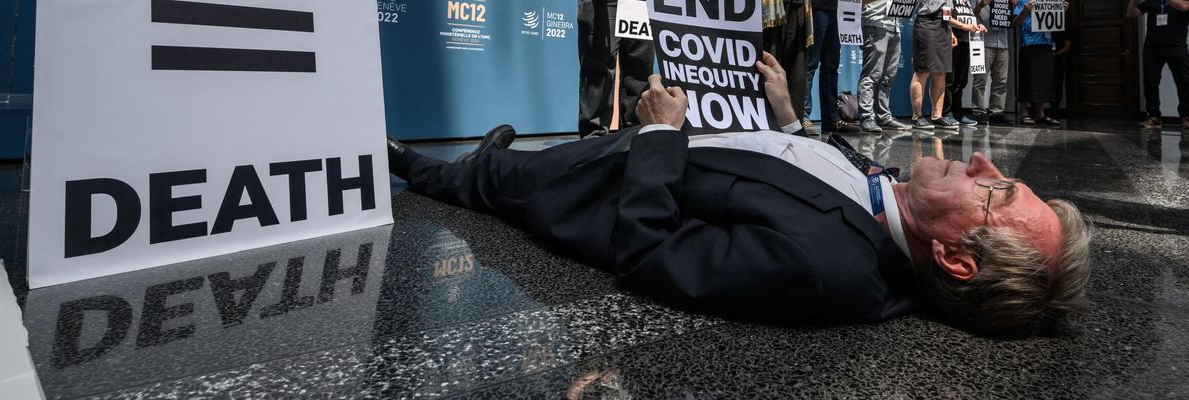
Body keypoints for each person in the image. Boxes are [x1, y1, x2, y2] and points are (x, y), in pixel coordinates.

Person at [385, 52, 1092, 336]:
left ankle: (416, 163)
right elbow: (842, 173)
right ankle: (495, 155)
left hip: (596, 185)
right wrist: (790, 115)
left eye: (994, 194)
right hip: (643, 149)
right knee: (526, 158)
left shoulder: (829, 271)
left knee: (487, 182)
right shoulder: (890, 207)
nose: (981, 164)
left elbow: (650, 252)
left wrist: (661, 135)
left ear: (957, 261)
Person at [578, 0, 655, 138]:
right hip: (605, 3)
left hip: (642, 2)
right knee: (599, 68)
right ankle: (593, 140)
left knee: (640, 70)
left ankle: (633, 137)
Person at [1128, 0, 1189, 129]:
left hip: (1176, 46)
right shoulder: (1152, 1)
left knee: (1184, 81)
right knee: (1150, 81)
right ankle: (1154, 116)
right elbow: (1131, 13)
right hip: (1152, 48)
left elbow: (1184, 7)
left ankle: (1186, 117)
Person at [858, 0, 914, 133]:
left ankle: (883, 117)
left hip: (895, 26)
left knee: (888, 77)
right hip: (875, 22)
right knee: (872, 74)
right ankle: (866, 117)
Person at [806, 0, 860, 132]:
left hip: (839, 10)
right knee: (810, 64)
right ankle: (803, 116)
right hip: (816, 7)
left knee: (831, 66)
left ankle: (832, 120)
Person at [910, 0, 961, 131]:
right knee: (923, 71)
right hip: (926, 21)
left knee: (941, 72)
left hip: (944, 24)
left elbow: (946, 7)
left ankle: (937, 115)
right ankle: (917, 117)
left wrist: (950, 31)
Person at [1012, 0, 1065, 125]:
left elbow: (1055, 21)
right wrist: (1025, 10)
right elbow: (1015, 23)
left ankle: (1040, 114)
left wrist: (1062, 10)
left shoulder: (1047, 2)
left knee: (1044, 80)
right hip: (1029, 44)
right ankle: (1023, 112)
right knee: (1027, 78)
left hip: (1046, 44)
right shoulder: (1022, 2)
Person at [763, 0, 813, 126]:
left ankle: (794, 127)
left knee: (797, 71)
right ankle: (769, 125)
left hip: (799, 7)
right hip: (771, 10)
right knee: (771, 67)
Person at [945, 0, 988, 126]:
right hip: (953, 41)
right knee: (949, 79)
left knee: (961, 80)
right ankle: (946, 113)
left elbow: (970, 20)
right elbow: (946, 17)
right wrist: (964, 27)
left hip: (966, 41)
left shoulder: (967, 3)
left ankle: (958, 113)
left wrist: (978, 27)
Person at [971, 0, 1014, 125]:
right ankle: (978, 112)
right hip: (982, 42)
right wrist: (980, 5)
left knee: (1001, 81)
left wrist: (1012, 6)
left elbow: (1012, 19)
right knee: (980, 80)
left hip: (1002, 43)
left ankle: (996, 112)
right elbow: (969, 17)